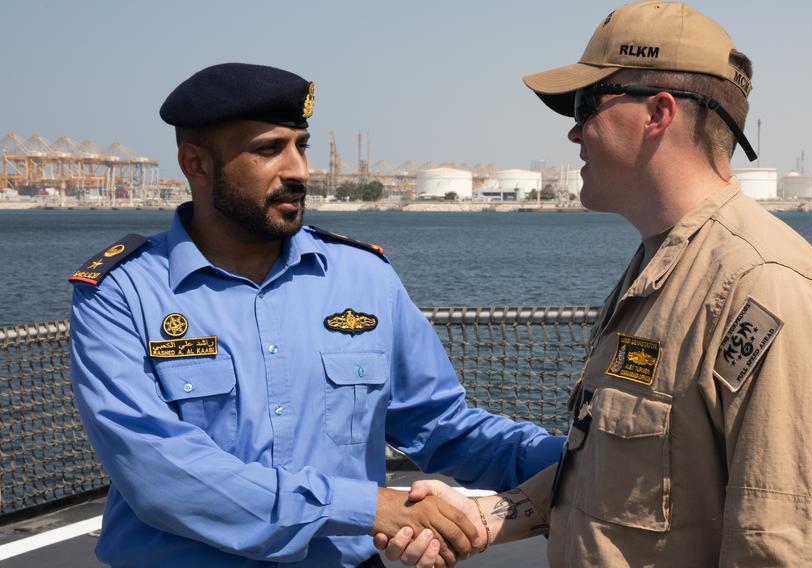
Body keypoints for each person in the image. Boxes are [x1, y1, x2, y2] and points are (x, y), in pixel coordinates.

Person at [380, 2, 812, 566]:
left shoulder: (764, 287)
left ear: (658, 113)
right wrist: (484, 518)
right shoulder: (666, 266)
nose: (574, 131)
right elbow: (615, 471)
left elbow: (790, 548)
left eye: (587, 105)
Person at [68, 62, 563, 568]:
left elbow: (442, 425)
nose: (299, 171)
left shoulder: (363, 277)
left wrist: (585, 460)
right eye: (268, 149)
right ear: (196, 164)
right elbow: (161, 473)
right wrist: (371, 508)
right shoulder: (121, 294)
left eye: (300, 145)